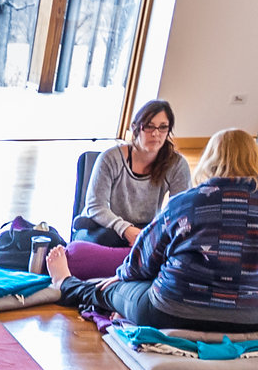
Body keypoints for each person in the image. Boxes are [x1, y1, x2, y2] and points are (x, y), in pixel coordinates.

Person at [100, 127, 258, 330]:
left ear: (209, 159)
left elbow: (143, 260)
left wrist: (122, 275)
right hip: (254, 320)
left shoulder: (184, 203)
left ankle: (68, 285)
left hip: (173, 312)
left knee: (108, 289)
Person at [61, 97, 192, 274]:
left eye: (163, 127)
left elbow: (181, 209)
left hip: (144, 229)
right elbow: (95, 206)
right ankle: (136, 265)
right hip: (104, 228)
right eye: (149, 126)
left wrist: (154, 234)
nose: (156, 133)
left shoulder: (176, 164)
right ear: (136, 128)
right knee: (106, 241)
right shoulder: (110, 158)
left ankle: (131, 265)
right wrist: (125, 229)